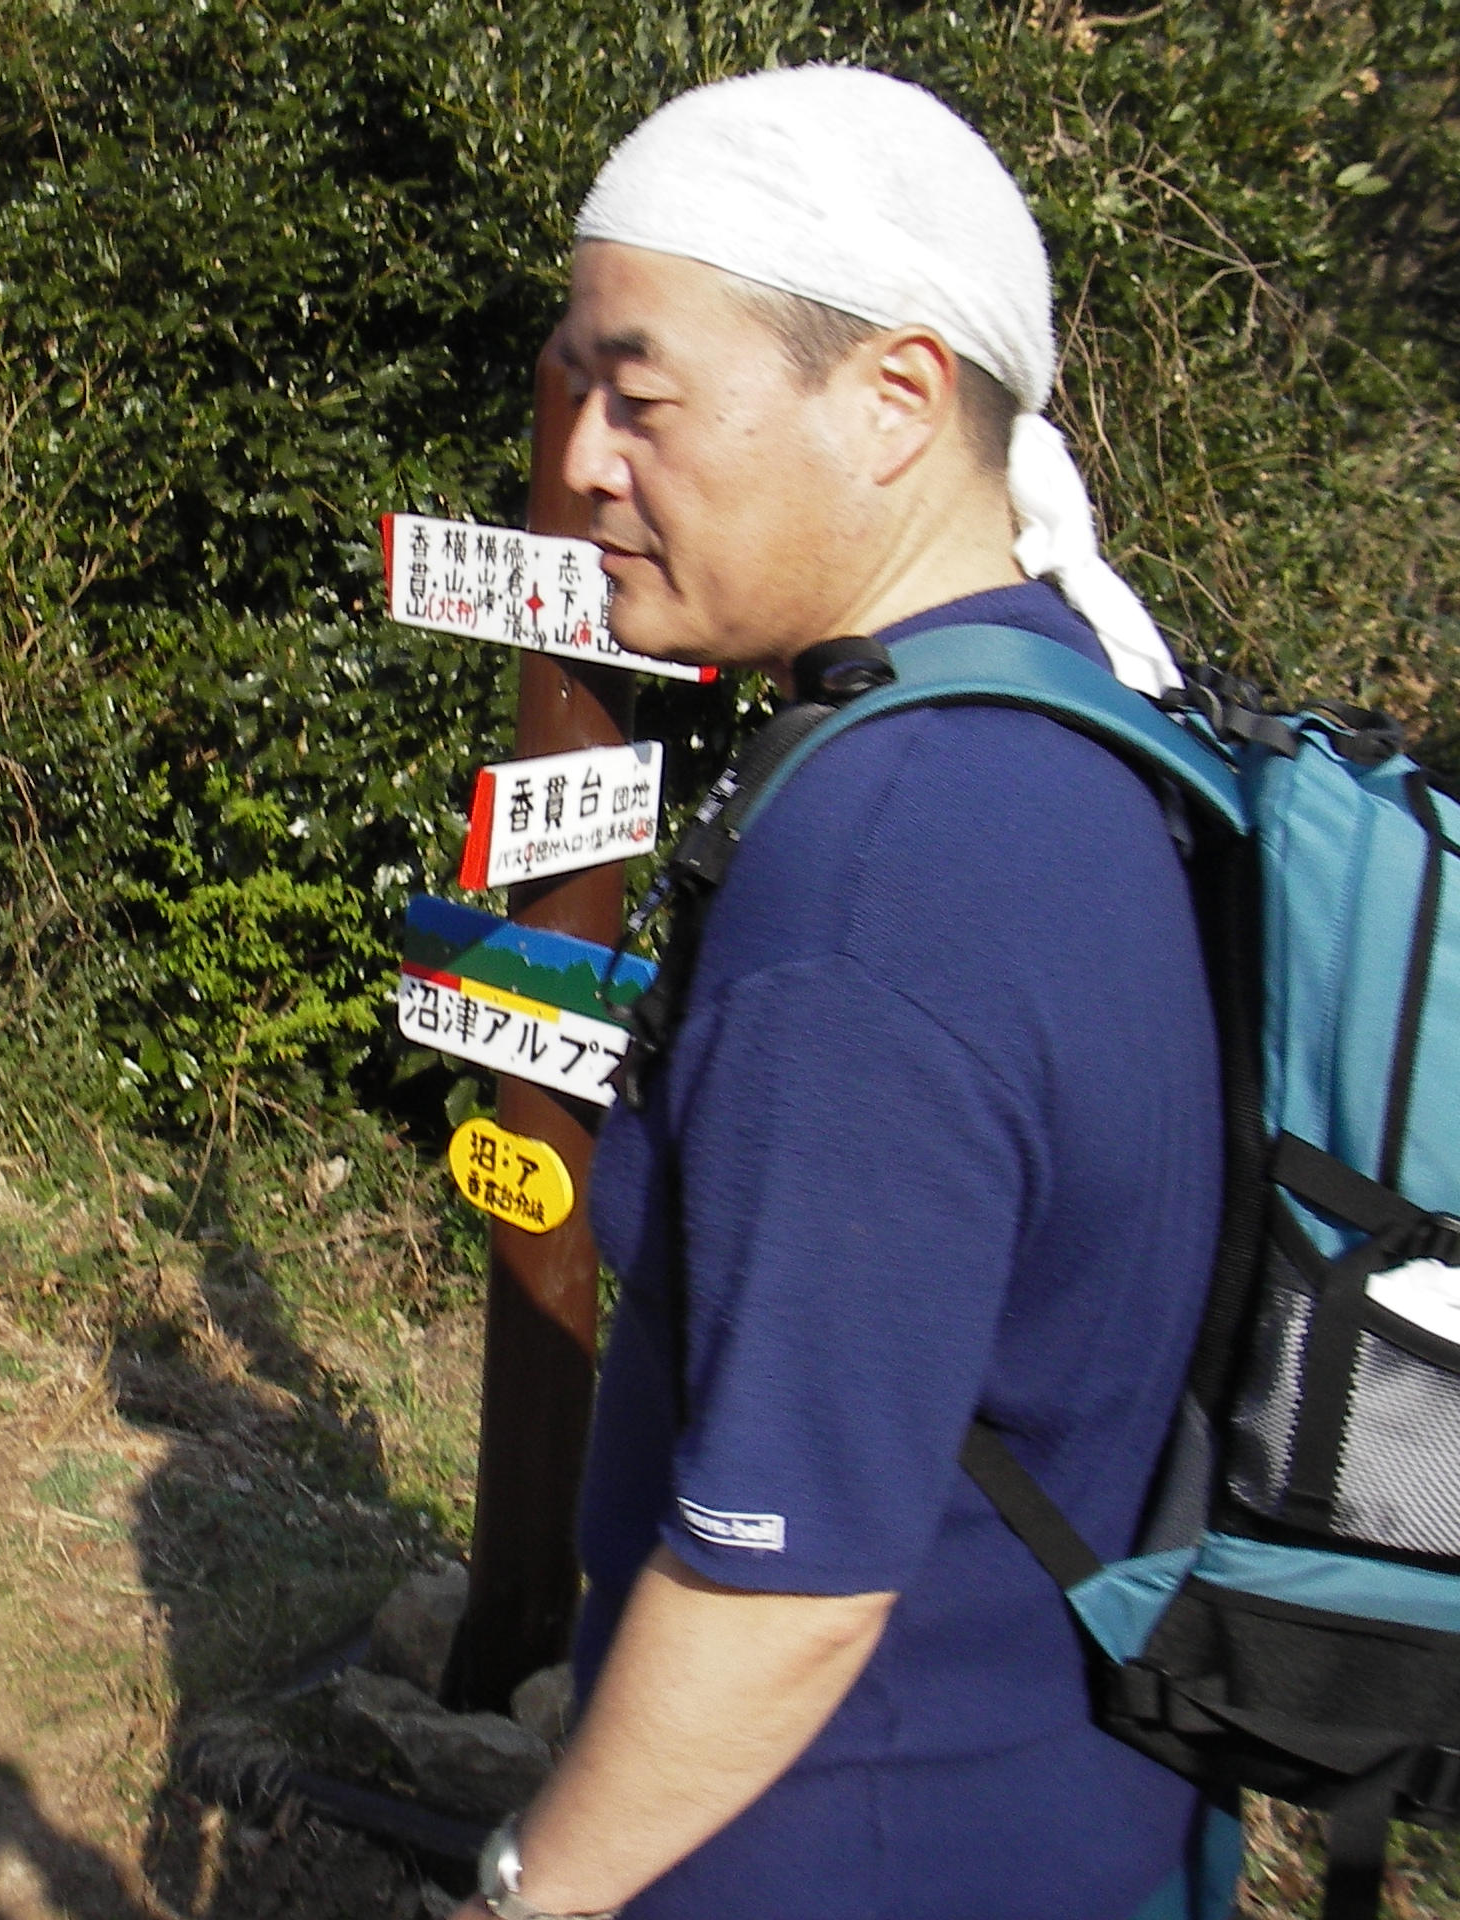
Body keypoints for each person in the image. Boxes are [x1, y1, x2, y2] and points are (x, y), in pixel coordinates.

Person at [460, 69, 1236, 1920]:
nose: (583, 462)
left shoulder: (884, 865)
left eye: (639, 396)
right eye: (577, 391)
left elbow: (782, 1585)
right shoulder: (1072, 731)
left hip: (845, 1841)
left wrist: (530, 1885)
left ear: (895, 399)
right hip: (1078, 1803)